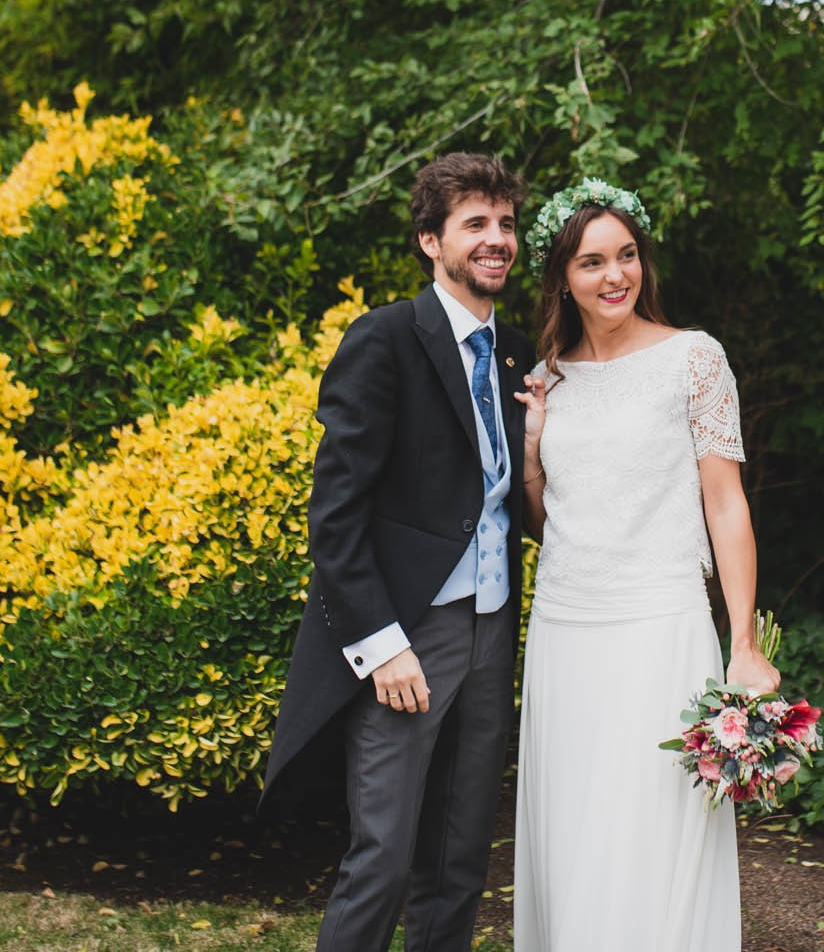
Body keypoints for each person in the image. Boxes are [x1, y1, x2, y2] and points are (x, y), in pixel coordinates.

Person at [260, 152, 536, 952]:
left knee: (458, 858)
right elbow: (335, 514)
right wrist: (382, 645)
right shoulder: (383, 340)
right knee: (382, 852)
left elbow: (509, 494)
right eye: (475, 224)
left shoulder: (515, 353)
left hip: (492, 631)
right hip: (407, 637)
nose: (496, 239)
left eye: (506, 224)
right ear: (430, 240)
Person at [510, 177, 778, 952]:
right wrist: (533, 444)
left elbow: (726, 504)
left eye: (626, 255)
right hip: (565, 624)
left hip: (658, 623)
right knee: (576, 826)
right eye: (592, 262)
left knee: (649, 826)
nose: (614, 275)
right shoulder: (550, 373)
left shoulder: (693, 359)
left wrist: (744, 641)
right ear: (563, 274)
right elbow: (541, 517)